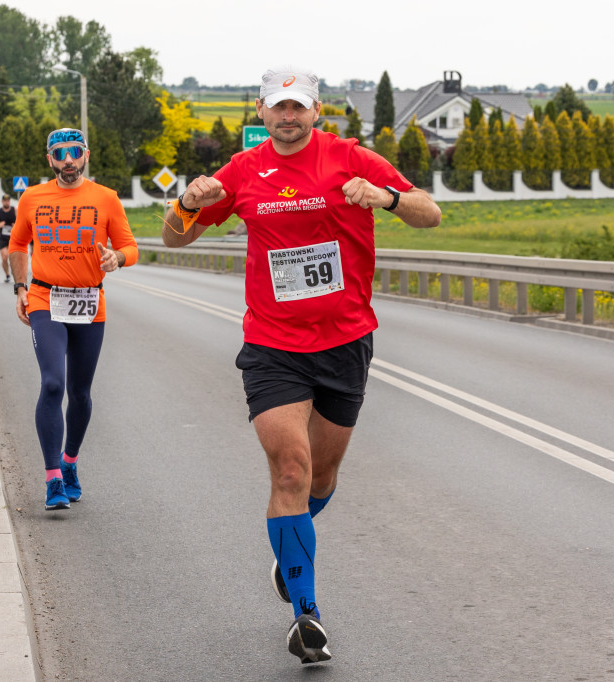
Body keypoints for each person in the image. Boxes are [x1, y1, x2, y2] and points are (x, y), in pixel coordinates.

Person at [161, 66, 441, 665]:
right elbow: (175, 239)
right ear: (260, 112)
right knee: (290, 469)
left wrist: (385, 197)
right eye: (278, 107)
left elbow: (430, 212)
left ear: (316, 112)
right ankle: (306, 616)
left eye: (299, 107)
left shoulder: (351, 158)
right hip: (273, 344)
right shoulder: (243, 171)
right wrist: (184, 200)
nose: (288, 116)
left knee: (321, 479)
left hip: (344, 340)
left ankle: (290, 548)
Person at [9, 127, 138, 512]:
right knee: (52, 384)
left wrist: (118, 258)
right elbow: (18, 244)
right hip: (45, 297)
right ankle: (52, 480)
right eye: (60, 153)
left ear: (85, 155)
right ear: (50, 159)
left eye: (75, 151)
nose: (68, 159)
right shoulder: (32, 197)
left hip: (88, 302)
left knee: (80, 393)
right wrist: (20, 287)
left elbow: (130, 246)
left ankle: (69, 463)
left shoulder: (106, 199)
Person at [0, 194, 17, 283]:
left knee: (13, 258)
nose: (6, 202)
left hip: (13, 238)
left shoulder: (14, 210)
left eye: (8, 201)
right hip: (2, 238)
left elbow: (21, 222)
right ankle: (7, 274)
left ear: (9, 201)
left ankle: (15, 272)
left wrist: (16, 226)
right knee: (4, 257)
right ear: (2, 201)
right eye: (4, 201)